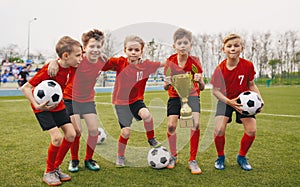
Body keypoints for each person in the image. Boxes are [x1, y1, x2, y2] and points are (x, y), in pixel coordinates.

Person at [21, 36, 82, 186]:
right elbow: (25, 88)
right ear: (66, 56)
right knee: (57, 138)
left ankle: (55, 168)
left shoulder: (74, 66)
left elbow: (92, 61)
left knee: (71, 134)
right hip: (42, 106)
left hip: (58, 104)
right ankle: (48, 172)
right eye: (79, 55)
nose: (81, 58)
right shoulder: (50, 69)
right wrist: (36, 104)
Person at [48, 29, 107, 172]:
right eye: (92, 46)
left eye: (98, 47)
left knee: (93, 131)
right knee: (77, 131)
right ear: (84, 48)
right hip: (70, 99)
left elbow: (120, 63)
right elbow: (64, 60)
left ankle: (89, 159)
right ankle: (74, 160)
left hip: (88, 101)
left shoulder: (102, 61)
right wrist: (54, 61)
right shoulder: (78, 60)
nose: (95, 49)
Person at [103, 35, 163, 167]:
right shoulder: (119, 62)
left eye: (136, 50)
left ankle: (151, 138)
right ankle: (120, 156)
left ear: (141, 51)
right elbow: (103, 65)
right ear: (125, 50)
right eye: (130, 49)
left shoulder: (146, 65)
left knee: (147, 115)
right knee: (126, 132)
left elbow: (164, 64)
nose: (133, 52)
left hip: (136, 100)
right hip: (121, 103)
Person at [210, 33, 264, 171]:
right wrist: (229, 102)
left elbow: (251, 84)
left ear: (242, 48)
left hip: (244, 101)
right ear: (224, 49)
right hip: (225, 100)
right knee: (219, 129)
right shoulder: (219, 69)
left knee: (251, 130)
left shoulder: (248, 65)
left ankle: (242, 157)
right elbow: (215, 91)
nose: (233, 48)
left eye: (236, 45)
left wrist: (259, 99)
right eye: (229, 46)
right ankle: (220, 157)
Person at [163, 28, 205, 174]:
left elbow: (203, 87)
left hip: (192, 97)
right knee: (171, 126)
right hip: (174, 96)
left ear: (190, 45)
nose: (182, 46)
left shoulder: (195, 62)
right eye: (179, 43)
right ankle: (173, 156)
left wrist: (200, 81)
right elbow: (165, 87)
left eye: (185, 43)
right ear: (174, 46)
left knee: (196, 124)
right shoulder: (170, 62)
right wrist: (167, 83)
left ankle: (192, 160)